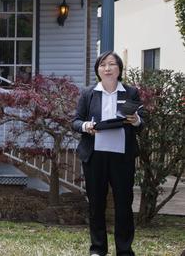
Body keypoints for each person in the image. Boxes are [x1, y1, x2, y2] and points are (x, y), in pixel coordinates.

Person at [72, 51, 144, 256]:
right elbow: (75, 121)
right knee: (96, 204)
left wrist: (136, 120)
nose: (107, 68)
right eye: (103, 64)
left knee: (124, 204)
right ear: (98, 70)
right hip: (95, 156)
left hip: (122, 156)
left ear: (119, 69)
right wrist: (87, 126)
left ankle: (124, 249)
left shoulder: (130, 92)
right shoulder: (88, 93)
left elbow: (142, 123)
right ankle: (97, 249)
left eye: (112, 64)